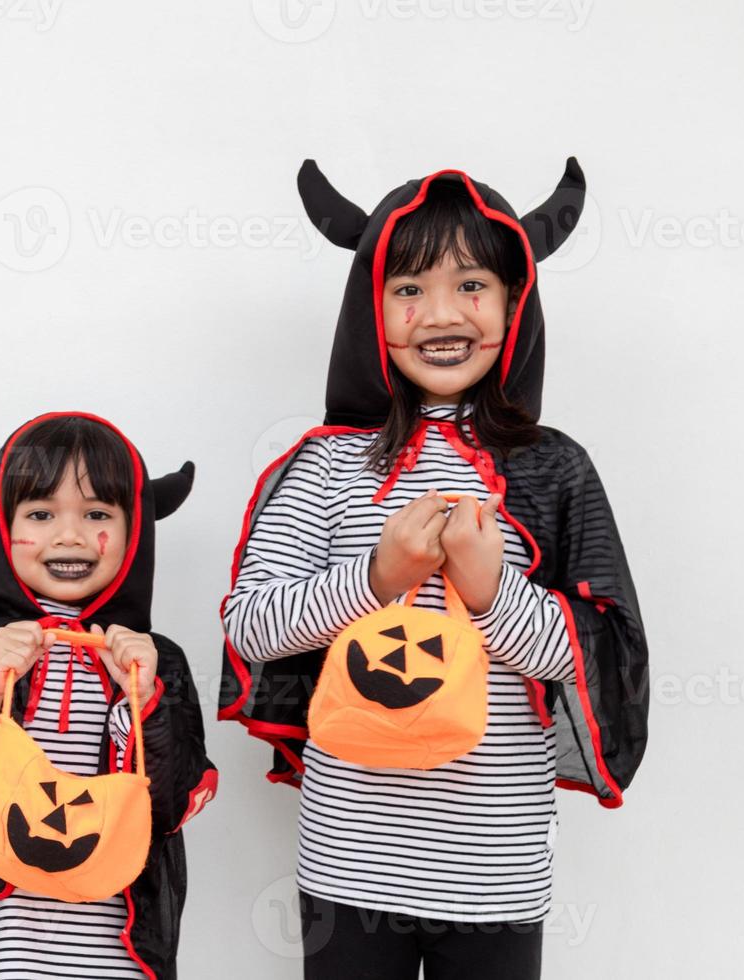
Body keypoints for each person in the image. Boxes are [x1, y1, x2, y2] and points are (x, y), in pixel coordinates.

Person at [217, 159, 650, 979]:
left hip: (495, 867)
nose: (441, 315)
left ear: (513, 304)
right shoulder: (325, 466)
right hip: (348, 854)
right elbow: (251, 624)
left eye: (472, 285)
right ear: (369, 309)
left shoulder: (554, 471)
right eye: (409, 288)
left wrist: (491, 593)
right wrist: (376, 578)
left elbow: (600, 656)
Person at [0, 411, 218, 980]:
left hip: (117, 959)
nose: (69, 536)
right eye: (40, 514)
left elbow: (171, 808)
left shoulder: (154, 660)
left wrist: (146, 704)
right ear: (0, 526)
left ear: (134, 530)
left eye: (97, 514)